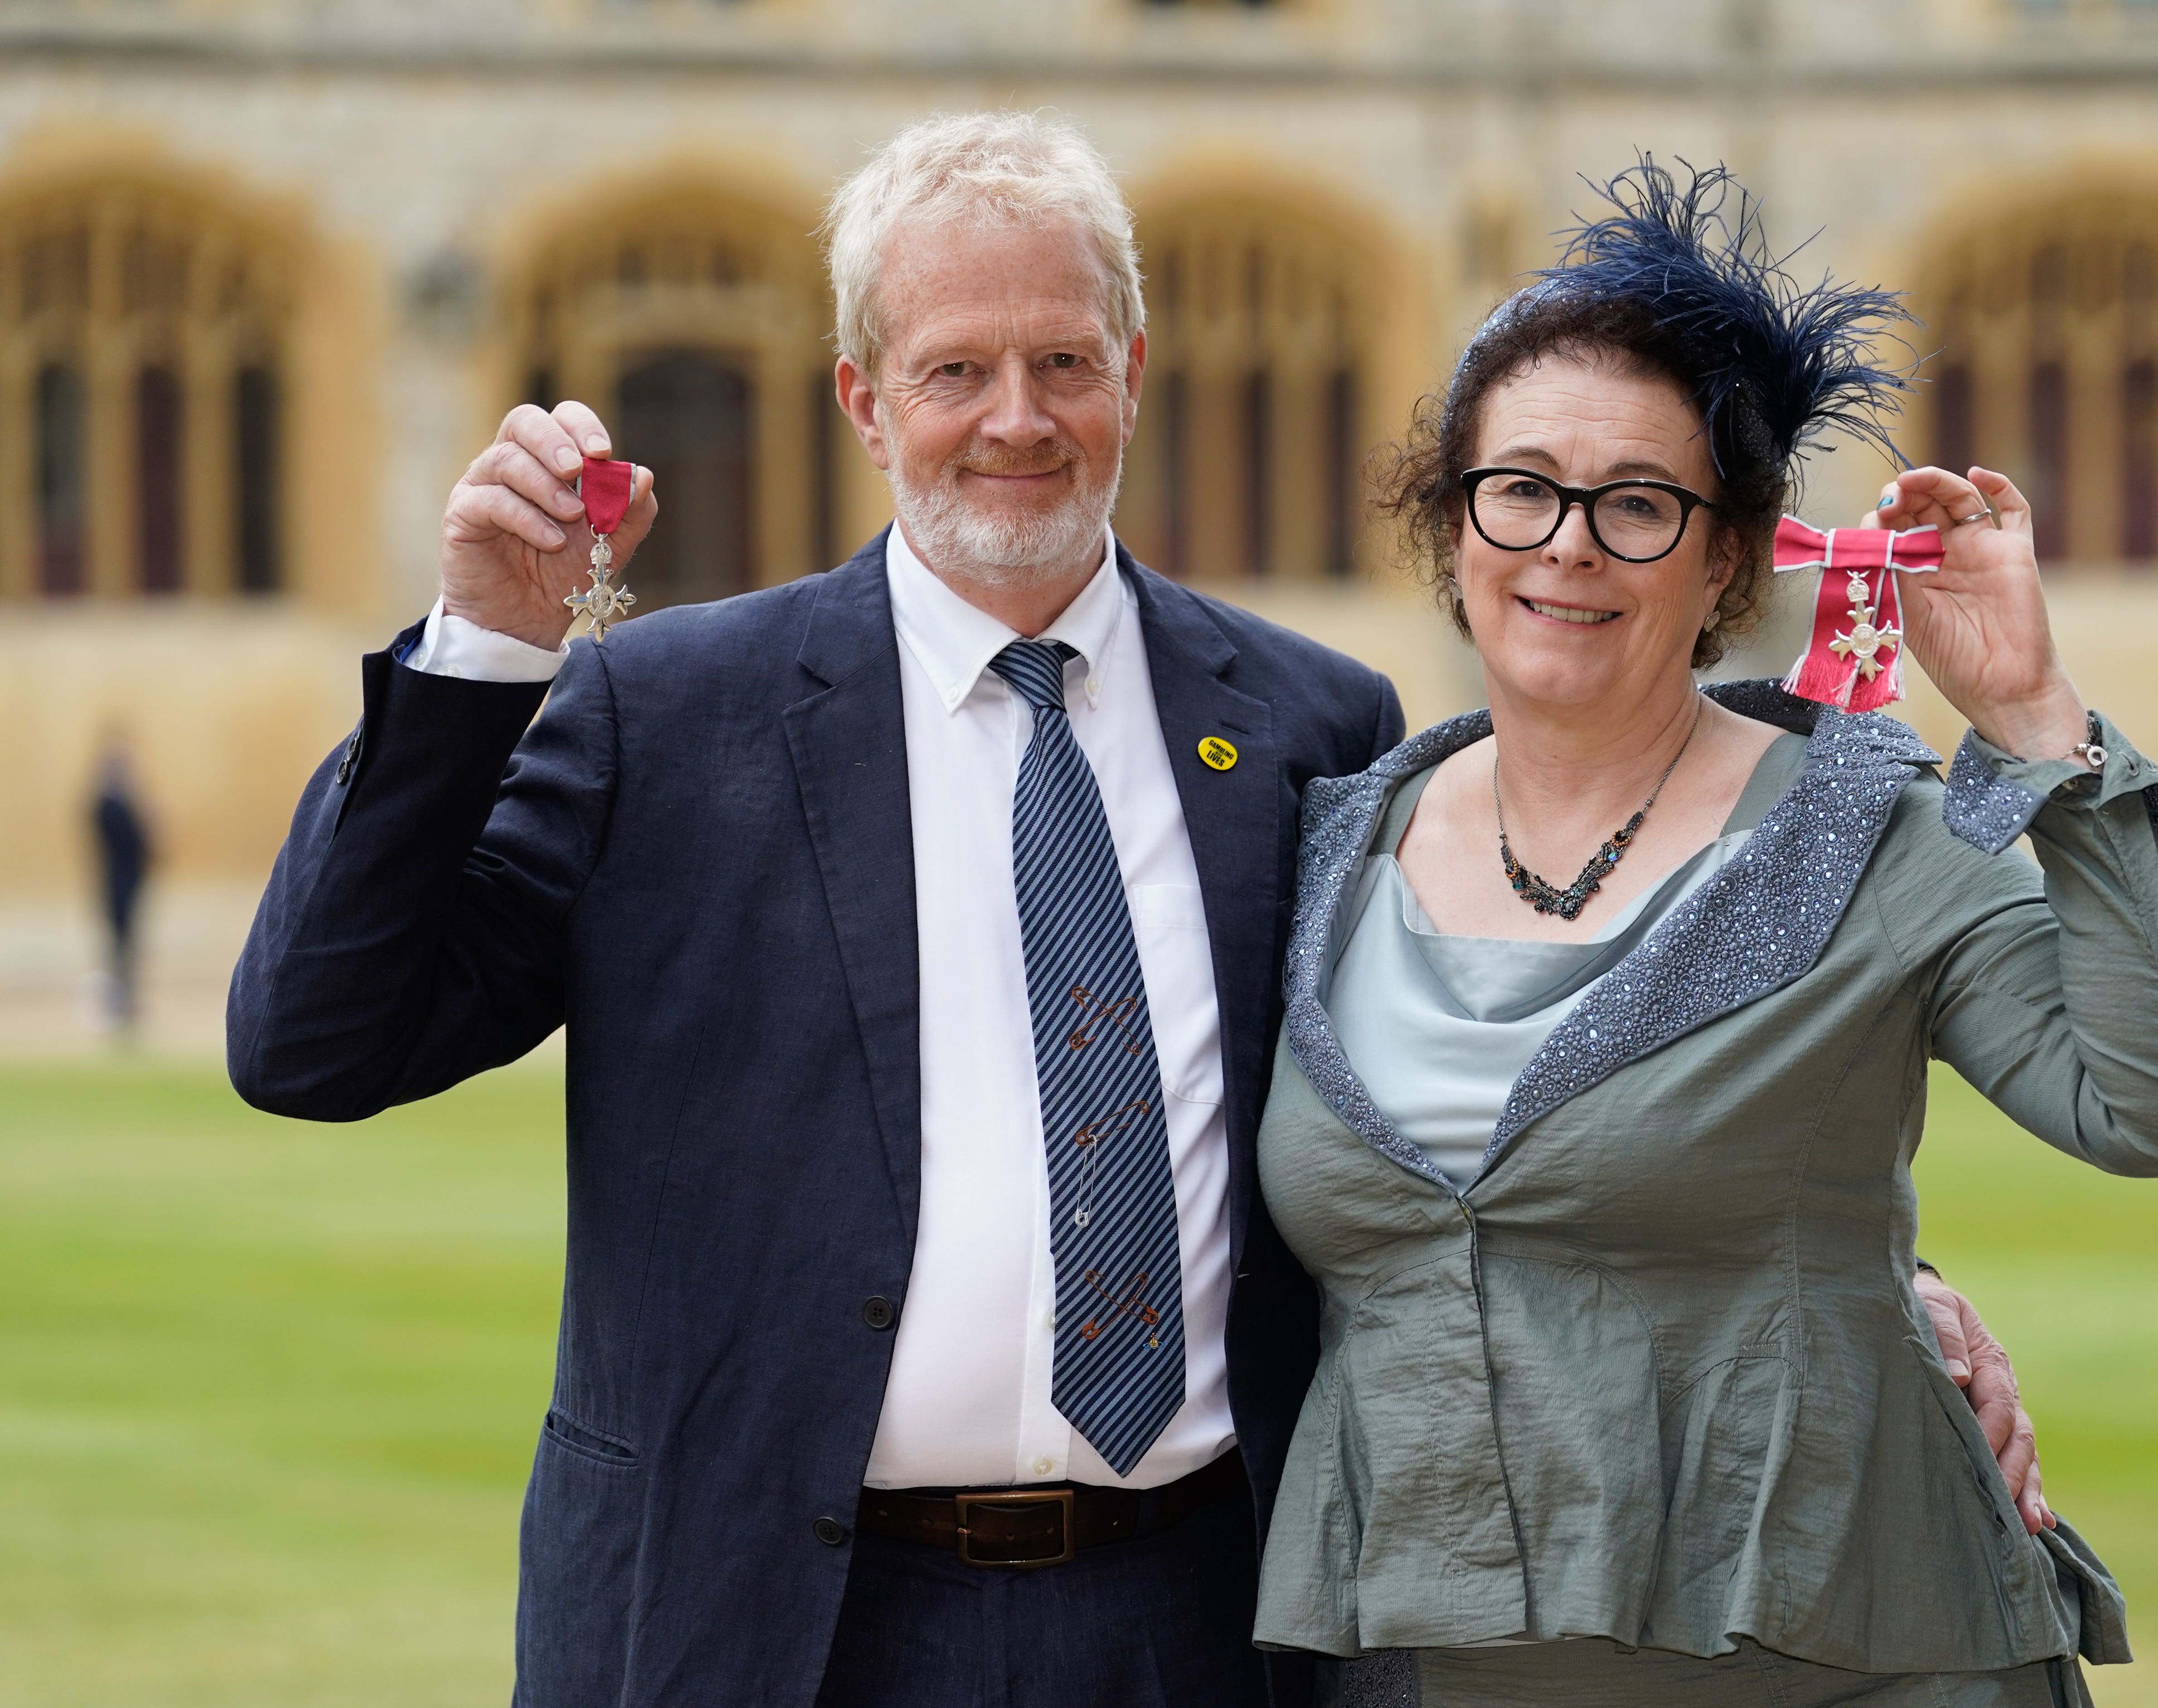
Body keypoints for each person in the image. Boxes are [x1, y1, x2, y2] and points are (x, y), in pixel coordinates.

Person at [227, 115, 2044, 1708]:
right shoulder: (664, 718)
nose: (1015, 420)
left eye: (1061, 363)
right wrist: (483, 651)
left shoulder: (1314, 721)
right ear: (865, 399)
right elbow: (317, 1043)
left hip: (1203, 1617)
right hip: (767, 1620)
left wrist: (1875, 1276)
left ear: (1135, 371)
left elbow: (1523, 1096)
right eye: (953, 371)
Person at [1251, 162, 2158, 1707]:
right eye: (1519, 486)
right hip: (1435, 1666)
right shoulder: (1322, 844)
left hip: (1853, 1654)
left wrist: (2030, 721)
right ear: (1449, 520)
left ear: (1728, 555)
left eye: (1638, 502)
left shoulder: (1864, 828)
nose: (1568, 543)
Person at [92, 730, 152, 1035]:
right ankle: (117, 1006)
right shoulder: (109, 804)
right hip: (118, 883)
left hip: (126, 882)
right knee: (120, 946)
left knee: (126, 946)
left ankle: (124, 1004)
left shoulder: (115, 803)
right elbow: (134, 842)